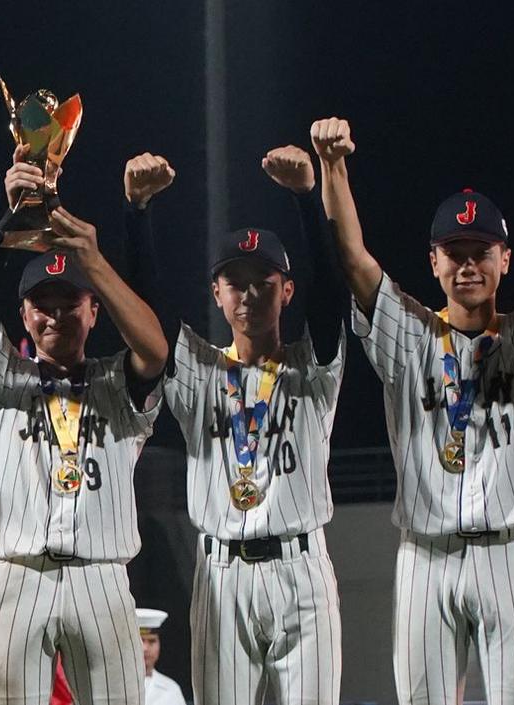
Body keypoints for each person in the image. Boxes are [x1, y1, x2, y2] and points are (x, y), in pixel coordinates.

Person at [313, 108, 514, 704]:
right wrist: (332, 166)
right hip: (426, 553)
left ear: (505, 259)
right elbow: (353, 257)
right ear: (434, 261)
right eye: (454, 250)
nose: (468, 263)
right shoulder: (408, 337)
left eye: (481, 250)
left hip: (510, 553)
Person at [143, 144, 349, 705]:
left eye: (264, 280)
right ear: (216, 293)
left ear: (287, 290)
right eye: (235, 282)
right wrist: (138, 212)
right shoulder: (198, 371)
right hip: (220, 572)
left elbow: (332, 296)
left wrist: (306, 198)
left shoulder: (314, 368)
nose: (250, 293)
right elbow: (150, 311)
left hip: (301, 567)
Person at [0, 145, 168, 705]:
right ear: (24, 315)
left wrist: (94, 262)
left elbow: (155, 348)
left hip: (101, 574)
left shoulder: (118, 382)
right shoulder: (1, 378)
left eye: (70, 302)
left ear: (94, 309)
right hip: (16, 571)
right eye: (42, 304)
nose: (55, 314)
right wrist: (12, 218)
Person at [136, 609, 186, 705]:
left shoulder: (171, 690)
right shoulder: (114, 686)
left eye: (152, 641)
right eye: (140, 641)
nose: (145, 648)